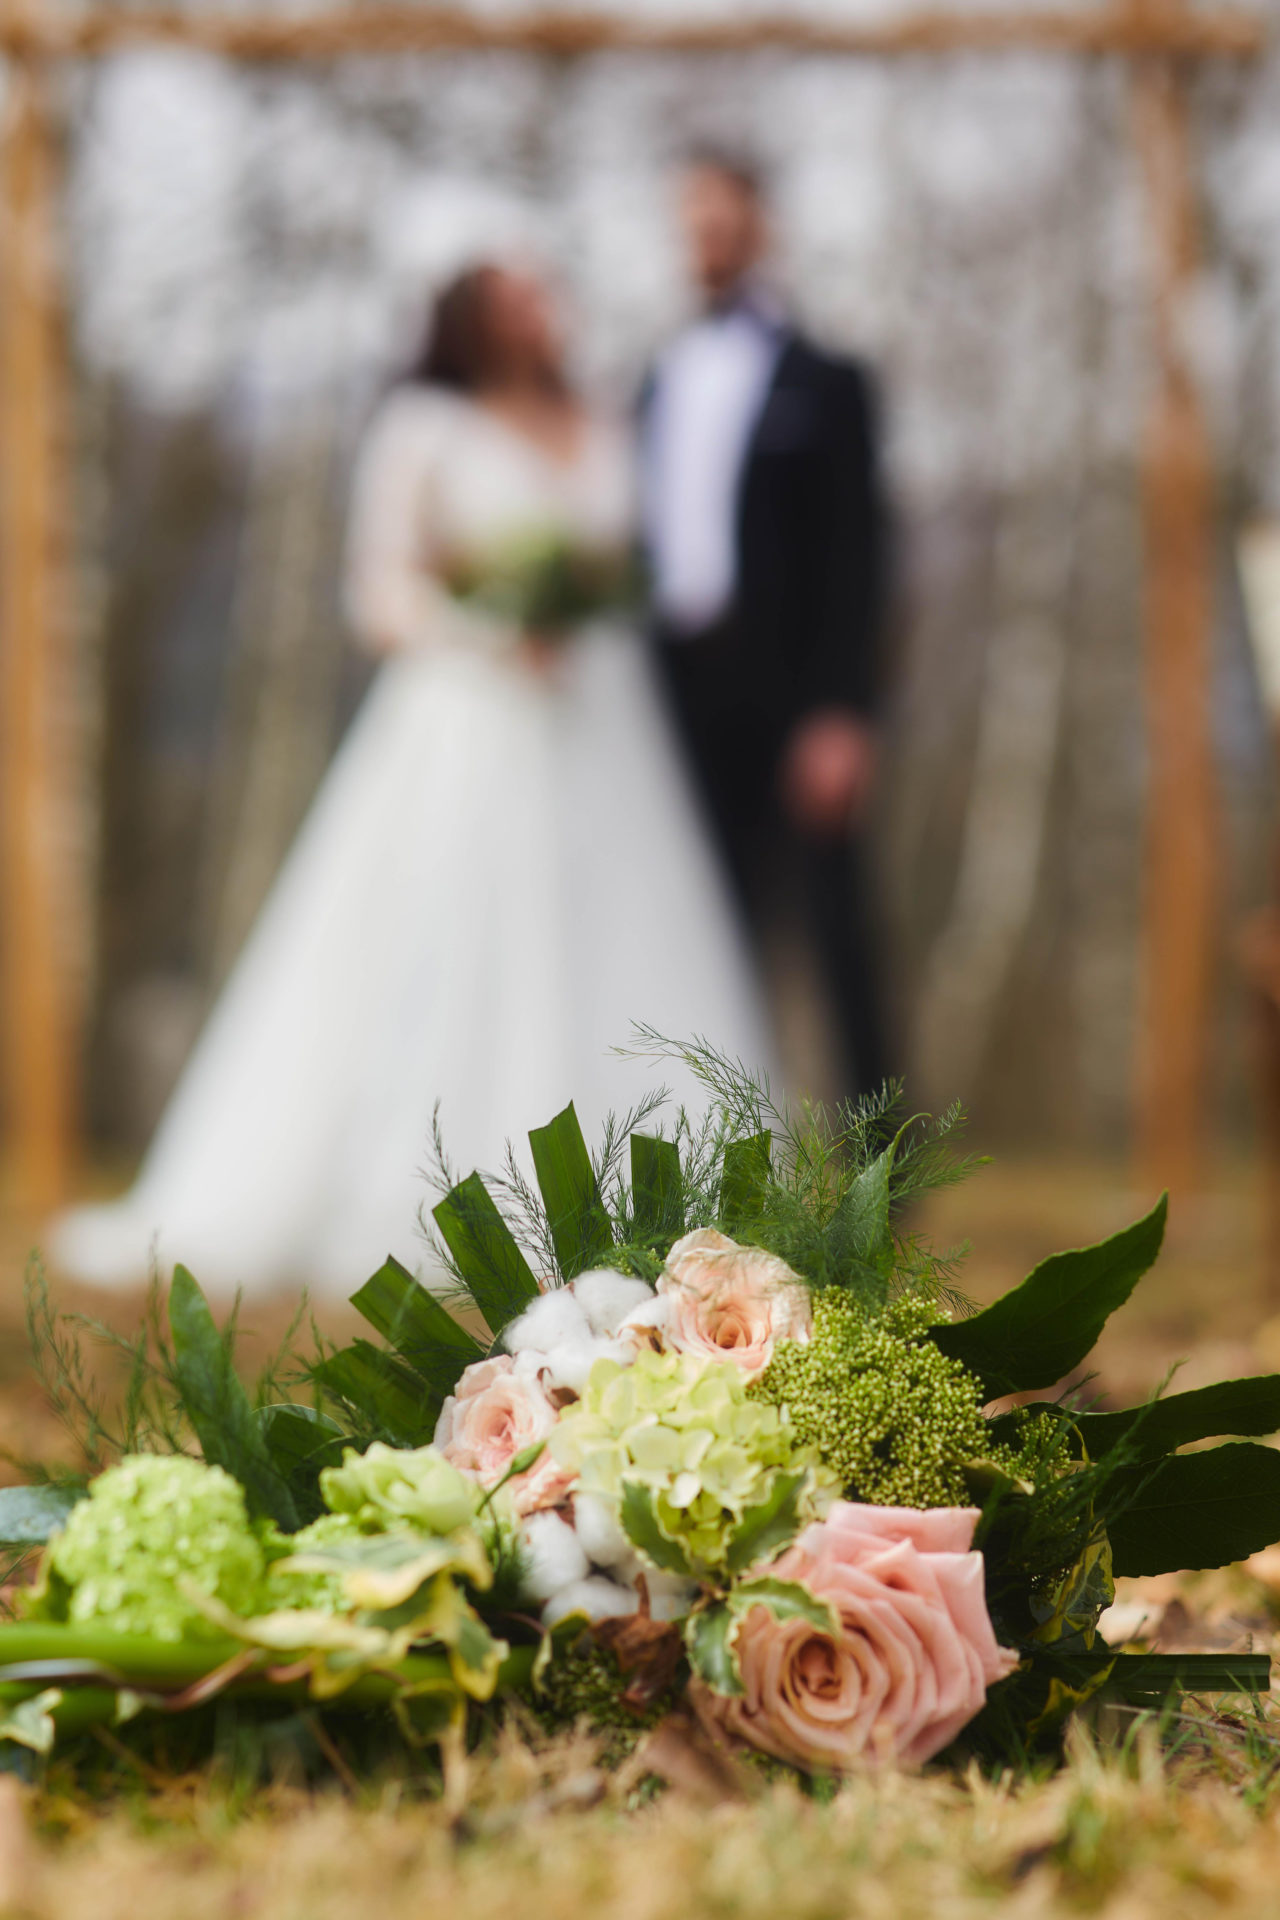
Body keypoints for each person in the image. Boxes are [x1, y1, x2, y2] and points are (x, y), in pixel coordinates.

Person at [52, 259, 770, 1299]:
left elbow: (631, 560)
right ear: (468, 316)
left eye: (545, 288)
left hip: (607, 721)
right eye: (515, 293)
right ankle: (441, 1193)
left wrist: (584, 605)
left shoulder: (605, 416)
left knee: (624, 935)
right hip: (472, 721)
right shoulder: (425, 426)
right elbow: (380, 595)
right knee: (455, 943)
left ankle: (660, 1198)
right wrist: (490, 629)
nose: (540, 308)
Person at [640, 150, 890, 1101]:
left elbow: (860, 553)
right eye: (692, 221)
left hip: (794, 689)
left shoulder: (827, 381)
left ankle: (884, 1171)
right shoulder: (656, 377)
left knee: (834, 929)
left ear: (761, 228)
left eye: (725, 219)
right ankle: (728, 1149)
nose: (709, 238)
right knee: (707, 927)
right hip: (679, 688)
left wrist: (842, 709)